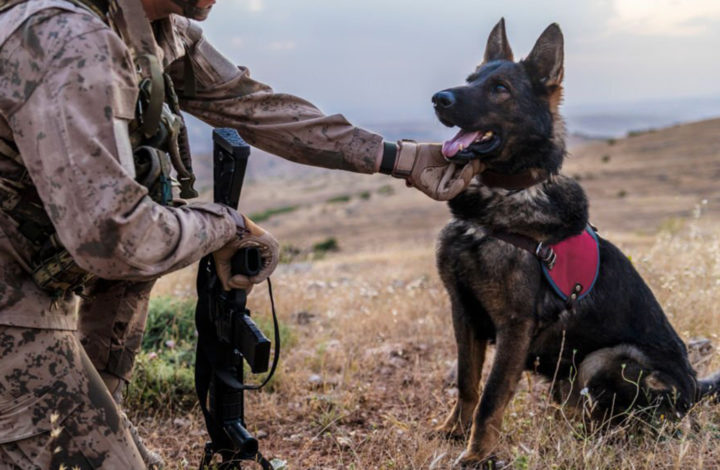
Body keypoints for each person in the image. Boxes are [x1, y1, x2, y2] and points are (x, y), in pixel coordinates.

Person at [0, 0, 482, 467]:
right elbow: (115, 239)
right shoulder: (64, 36)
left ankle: (100, 411)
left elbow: (254, 107)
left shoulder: (158, 30)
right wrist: (224, 226)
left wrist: (400, 158)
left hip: (38, 289)